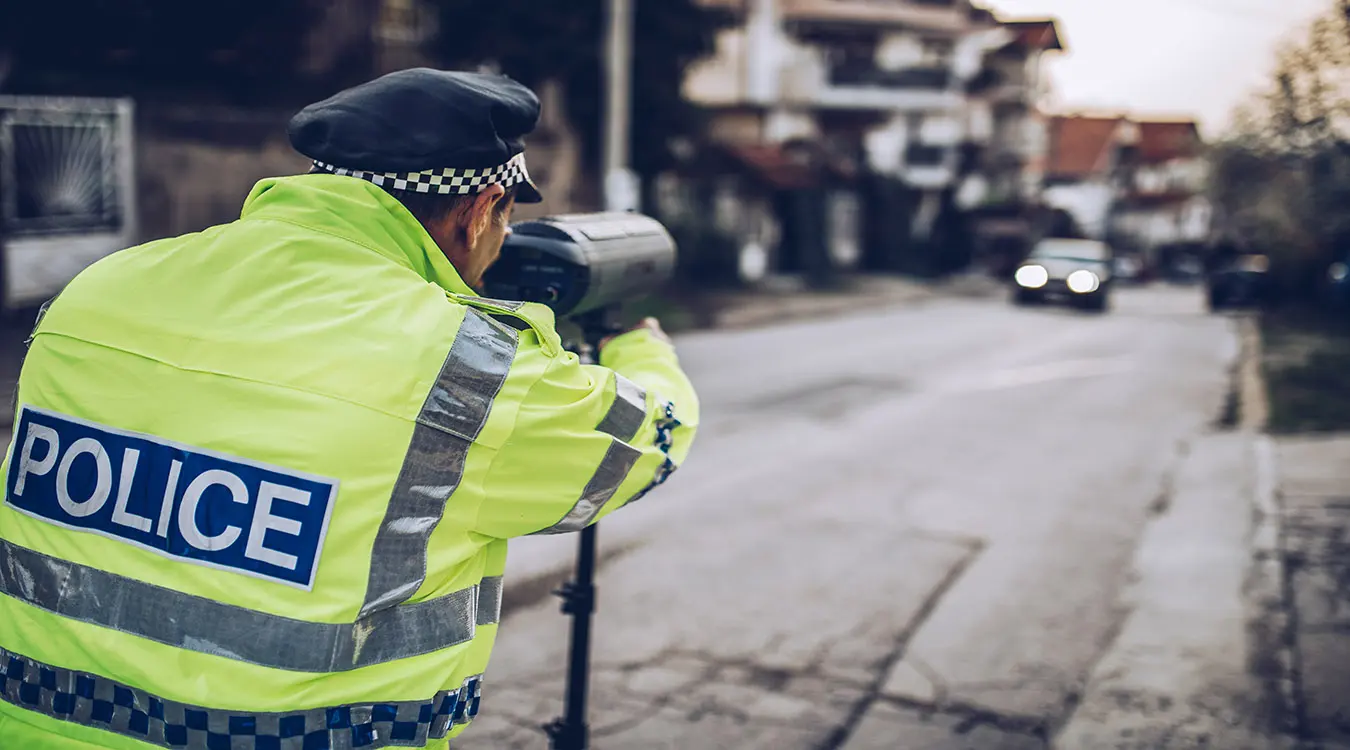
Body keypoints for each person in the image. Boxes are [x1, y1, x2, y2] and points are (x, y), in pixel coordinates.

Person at [0, 68, 698, 749]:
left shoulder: (103, 287)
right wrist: (637, 348)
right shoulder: (467, 367)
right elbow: (648, 439)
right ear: (483, 207)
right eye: (507, 219)